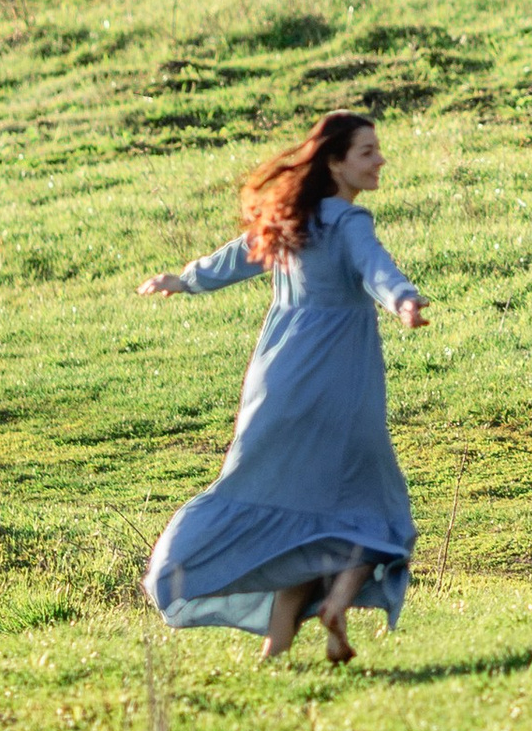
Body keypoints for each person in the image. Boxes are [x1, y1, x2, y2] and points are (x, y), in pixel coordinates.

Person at [138, 110, 429, 665]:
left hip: (278, 378)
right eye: (368, 151)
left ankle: (276, 646)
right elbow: (376, 269)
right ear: (336, 162)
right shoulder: (350, 222)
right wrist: (404, 300)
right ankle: (337, 601)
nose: (380, 160)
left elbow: (236, 256)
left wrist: (183, 278)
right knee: (376, 508)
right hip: (340, 380)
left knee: (298, 512)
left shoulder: (286, 218)